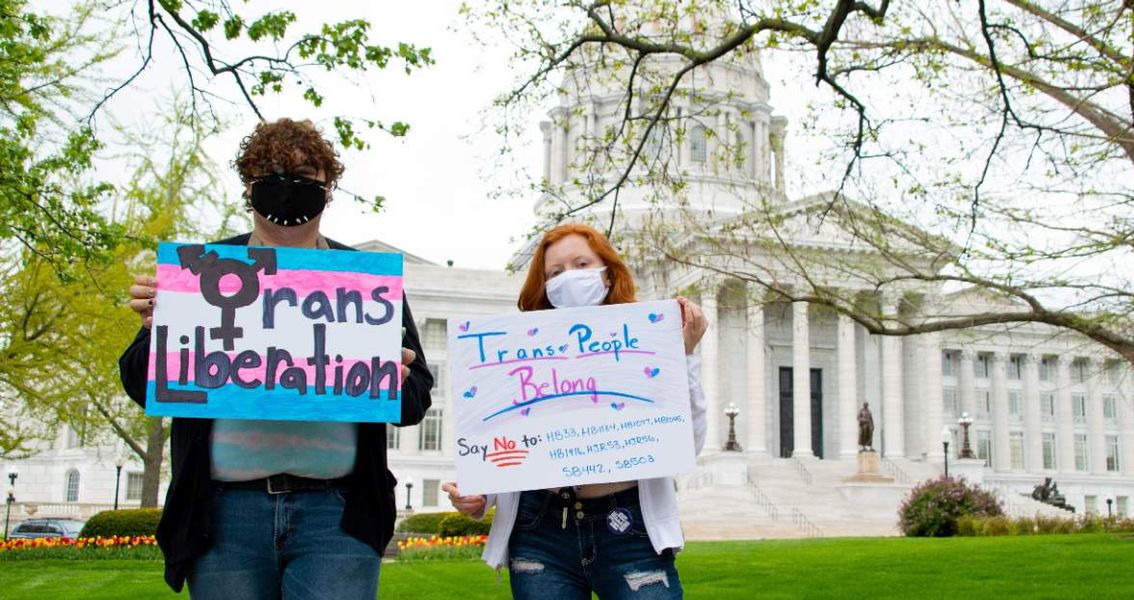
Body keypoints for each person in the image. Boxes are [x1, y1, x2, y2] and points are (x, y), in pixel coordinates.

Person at [118, 118, 434, 598]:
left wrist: (396, 375)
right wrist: (154, 333)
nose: (287, 188)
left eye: (304, 176)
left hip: (337, 514)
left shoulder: (363, 282)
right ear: (248, 186)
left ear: (328, 189)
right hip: (224, 514)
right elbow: (142, 386)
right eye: (270, 173)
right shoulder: (202, 271)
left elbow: (416, 399)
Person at [442, 223, 707, 599]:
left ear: (607, 272)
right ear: (543, 284)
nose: (569, 278)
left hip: (628, 524)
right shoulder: (519, 348)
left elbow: (686, 443)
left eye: (581, 264)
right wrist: (481, 494)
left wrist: (685, 355)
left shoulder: (647, 341)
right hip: (539, 527)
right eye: (555, 273)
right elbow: (508, 436)